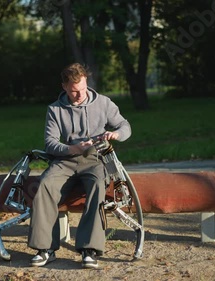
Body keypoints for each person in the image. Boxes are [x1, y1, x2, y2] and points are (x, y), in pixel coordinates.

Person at [27, 63, 132, 269]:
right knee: (45, 185)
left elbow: (125, 126)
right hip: (65, 159)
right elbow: (50, 143)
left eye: (83, 89)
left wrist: (116, 135)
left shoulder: (103, 103)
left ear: (87, 83)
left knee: (97, 185)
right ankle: (46, 248)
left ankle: (89, 249)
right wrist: (72, 149)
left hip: (95, 159)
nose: (79, 95)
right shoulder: (55, 109)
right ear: (64, 87)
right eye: (74, 91)